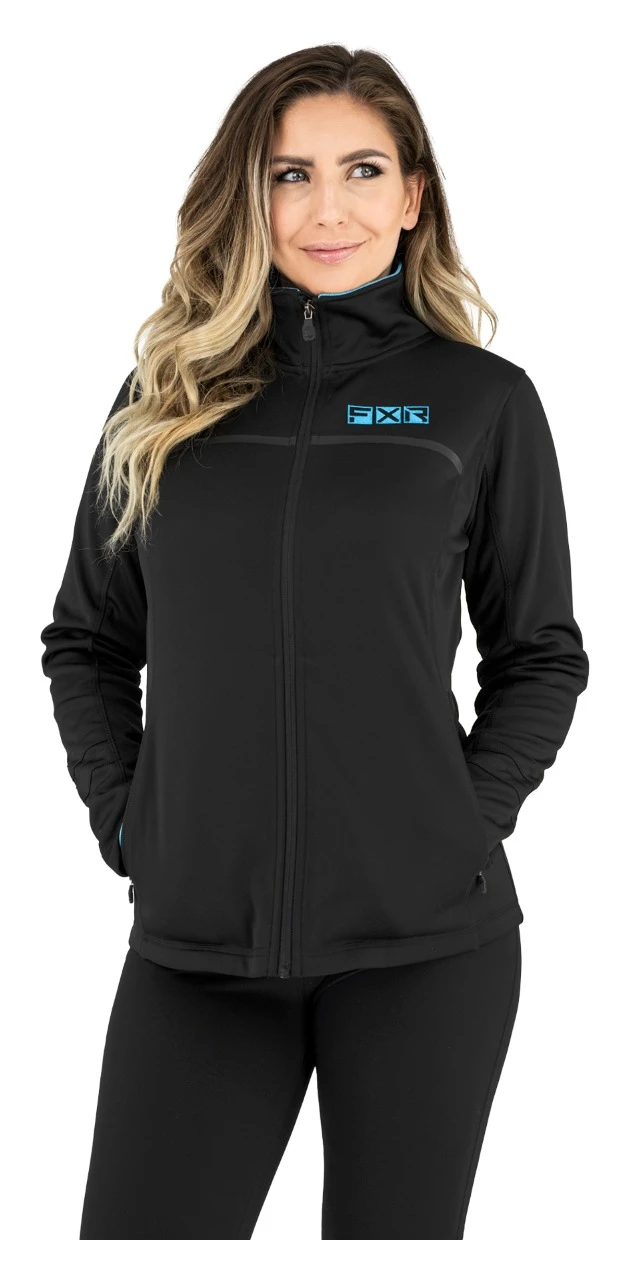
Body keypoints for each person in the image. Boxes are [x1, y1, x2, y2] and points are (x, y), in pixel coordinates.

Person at [40, 44, 589, 1240]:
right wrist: (129, 820)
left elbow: (541, 650)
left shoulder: (481, 402)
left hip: (424, 950)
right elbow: (86, 638)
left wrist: (459, 822)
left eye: (362, 170)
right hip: (196, 949)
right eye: (291, 174)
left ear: (413, 195)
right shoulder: (164, 400)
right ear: (251, 195)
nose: (327, 207)